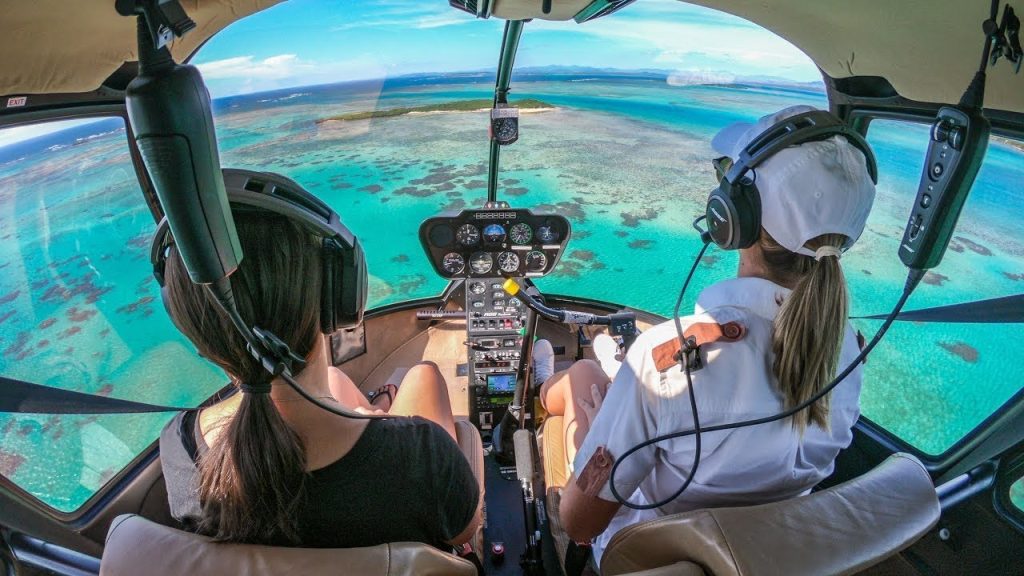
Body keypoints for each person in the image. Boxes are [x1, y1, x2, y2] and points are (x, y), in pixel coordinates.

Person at [539, 105, 876, 566]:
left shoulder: (665, 361)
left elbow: (580, 523)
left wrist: (598, 433)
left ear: (733, 215)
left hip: (651, 557)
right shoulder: (850, 354)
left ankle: (540, 391)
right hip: (762, 555)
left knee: (579, 379)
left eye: (727, 177)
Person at [157, 175, 481, 551]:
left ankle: (370, 409)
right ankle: (371, 412)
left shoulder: (180, 446)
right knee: (424, 376)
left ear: (196, 333)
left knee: (334, 379)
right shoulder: (420, 456)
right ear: (338, 300)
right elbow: (465, 531)